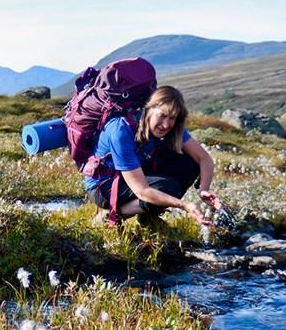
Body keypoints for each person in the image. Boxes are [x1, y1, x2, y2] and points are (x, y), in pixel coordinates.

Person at [85, 85, 222, 226]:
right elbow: (142, 191)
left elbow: (204, 158)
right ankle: (114, 215)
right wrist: (183, 205)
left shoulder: (173, 127)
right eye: (162, 115)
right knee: (167, 188)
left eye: (172, 118)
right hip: (104, 186)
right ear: (149, 109)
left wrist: (204, 190)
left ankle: (147, 216)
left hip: (135, 173)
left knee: (190, 164)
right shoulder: (121, 130)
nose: (166, 125)